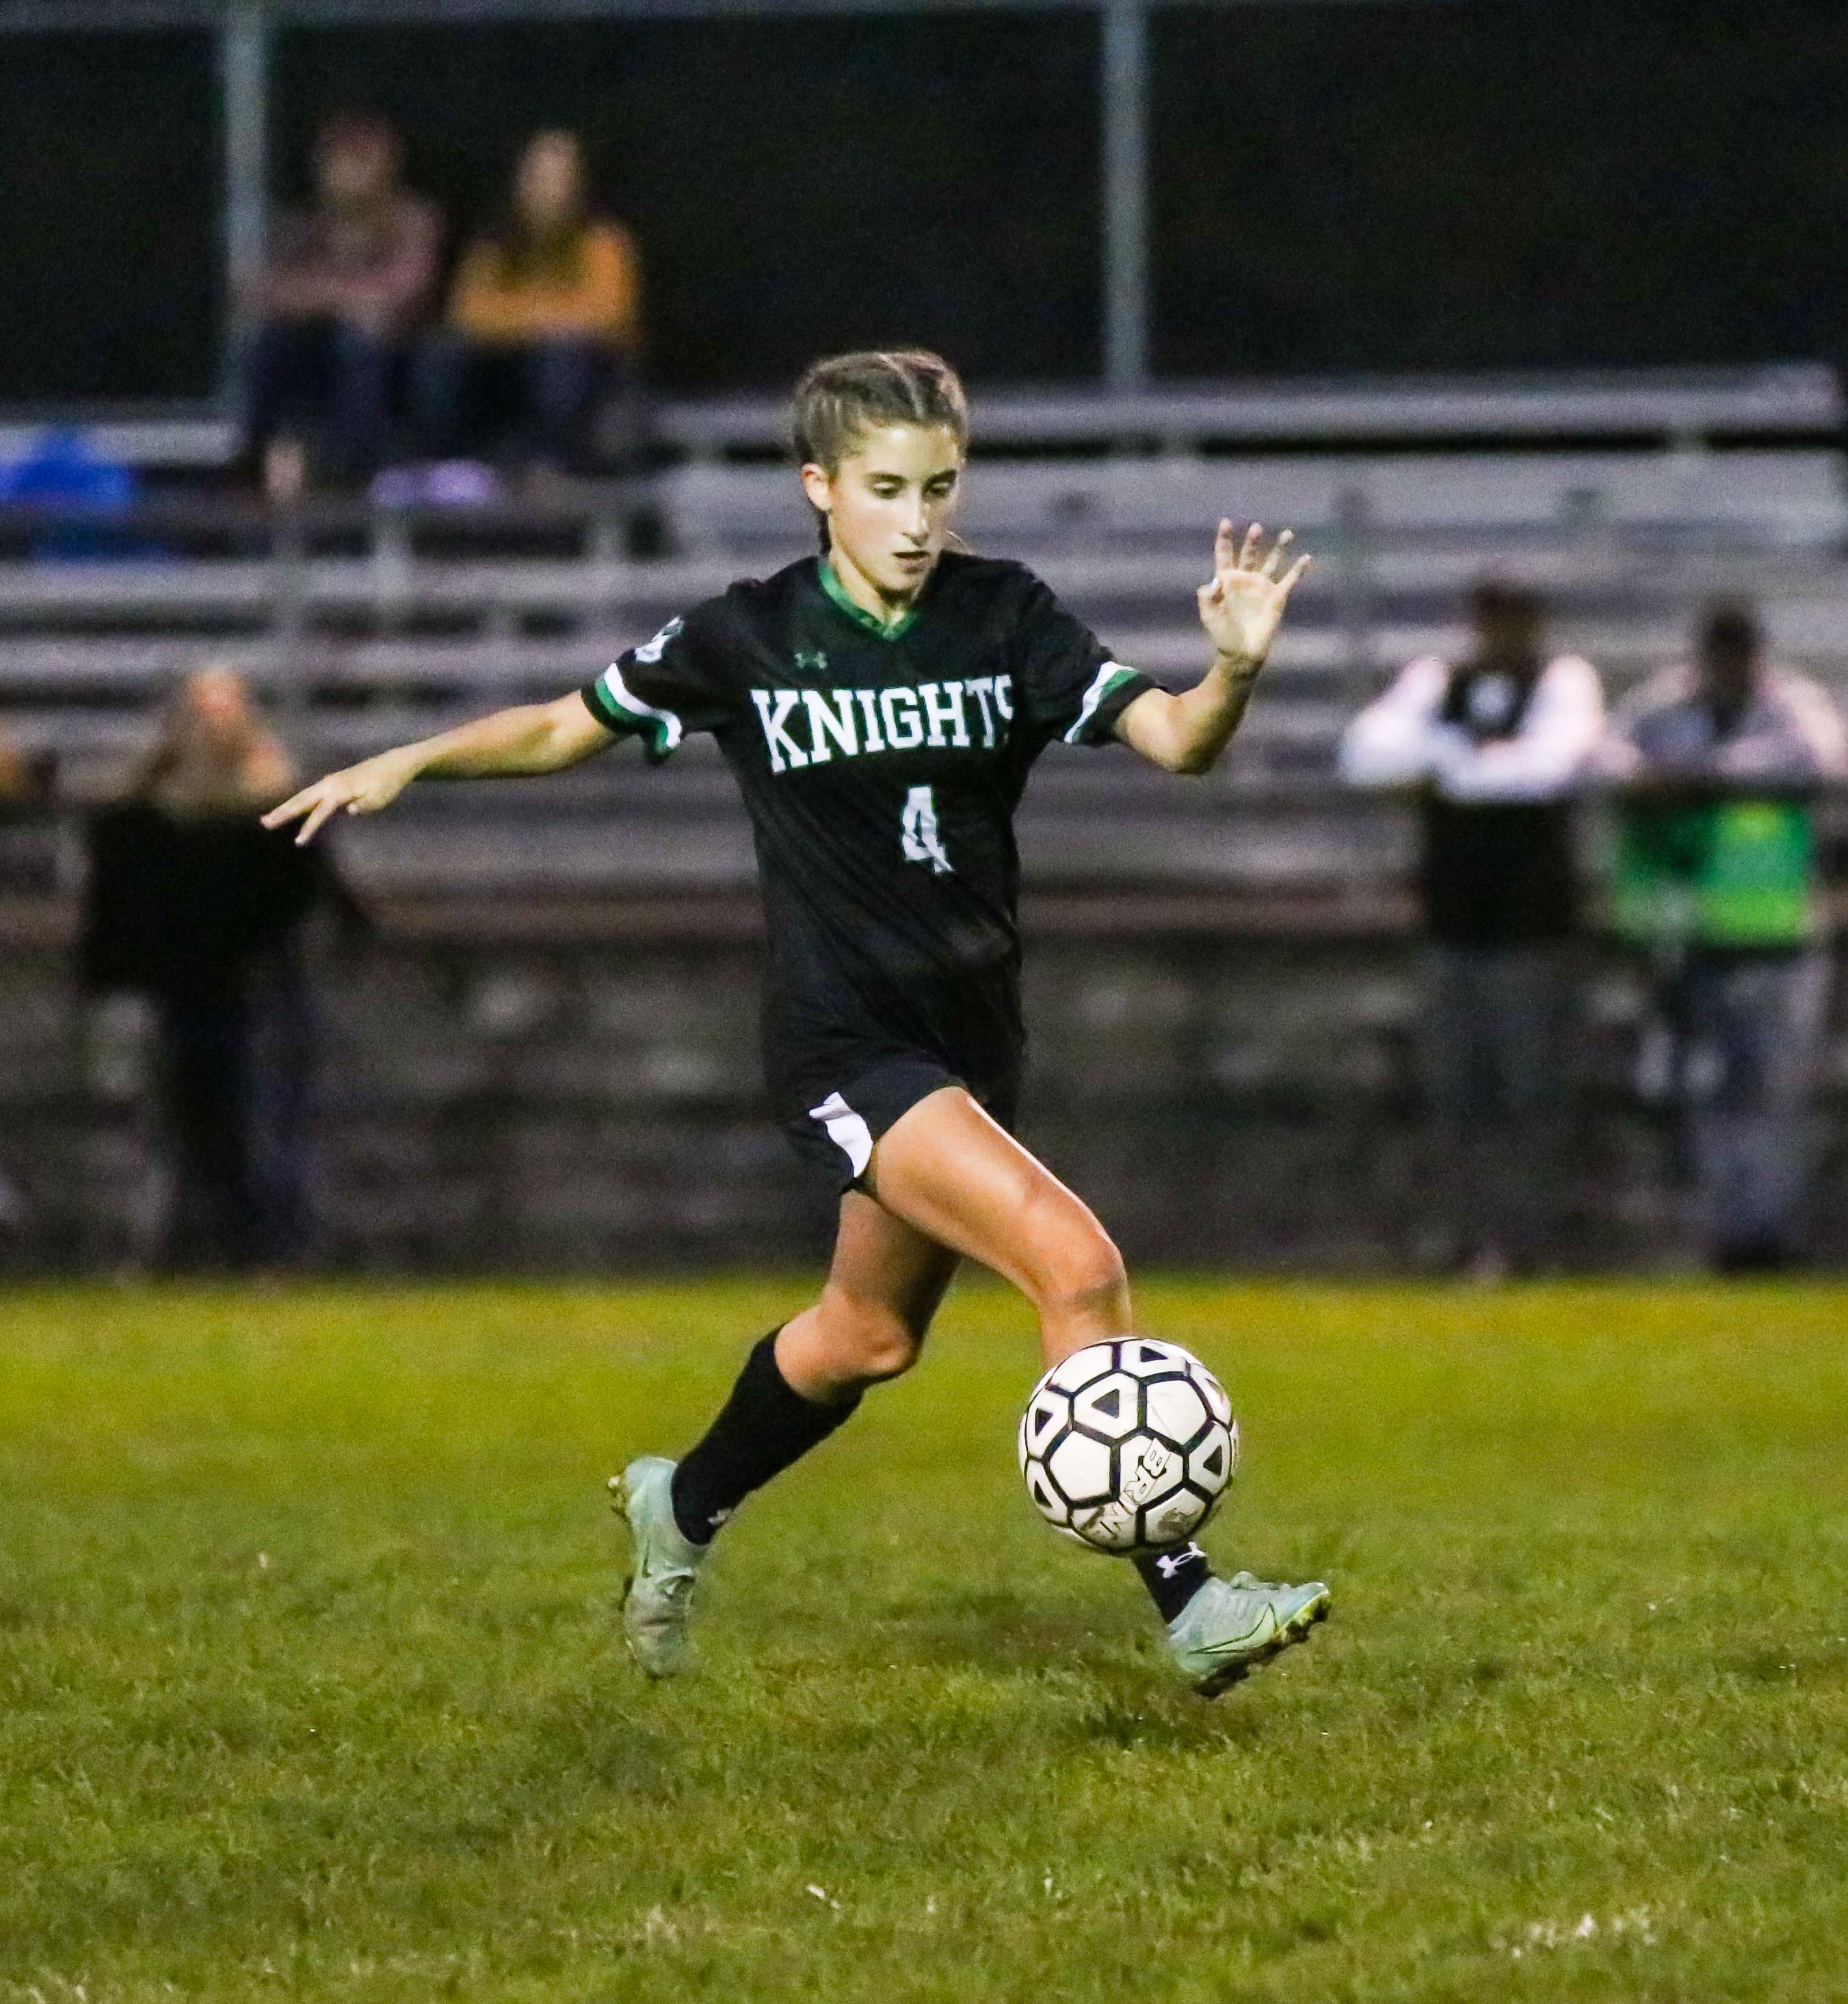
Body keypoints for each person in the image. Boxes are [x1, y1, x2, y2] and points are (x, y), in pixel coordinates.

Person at [265, 348, 1328, 1696]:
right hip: (843, 1044)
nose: (917, 519)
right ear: (818, 486)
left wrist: (1228, 672)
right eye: (885, 488)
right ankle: (1189, 1600)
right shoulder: (747, 638)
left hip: (969, 1041)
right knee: (1076, 1264)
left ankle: (685, 1501)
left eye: (939, 487)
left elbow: (1179, 740)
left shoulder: (1005, 616)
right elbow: (559, 726)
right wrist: (408, 758)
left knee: (865, 1338)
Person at [1338, 581, 1605, 1277]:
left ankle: (1529, 1242)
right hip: (1450, 928)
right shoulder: (1438, 680)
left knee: (1529, 1096)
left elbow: (1545, 770)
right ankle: (1469, 1241)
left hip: (1532, 934)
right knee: (1457, 1099)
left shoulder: (1561, 680)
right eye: (1490, 614)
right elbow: (1364, 755)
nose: (1500, 628)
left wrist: (1442, 765)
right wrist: (1469, 763)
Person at [1600, 600, 1846, 1272]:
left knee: (1775, 1092)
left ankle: (1769, 1235)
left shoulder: (1787, 704)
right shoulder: (1663, 704)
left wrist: (1703, 775)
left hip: (1778, 932)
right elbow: (1602, 757)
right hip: (1689, 931)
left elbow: (1818, 759)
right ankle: (1724, 1235)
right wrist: (1650, 777)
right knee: (1705, 1091)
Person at [81, 666, 354, 1271]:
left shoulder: (278, 808)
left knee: (263, 1127)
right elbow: (116, 916)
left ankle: (265, 1250)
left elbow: (316, 903)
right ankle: (167, 1250)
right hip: (178, 997)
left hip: (259, 996)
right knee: (170, 1127)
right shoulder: (140, 817)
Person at [414, 130, 641, 477]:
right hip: (504, 374)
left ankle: (551, 467)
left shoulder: (604, 245)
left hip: (579, 382)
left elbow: (608, 319)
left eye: (560, 179)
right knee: (442, 354)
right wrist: (541, 318)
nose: (548, 191)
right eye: (538, 177)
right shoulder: (494, 247)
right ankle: (449, 466)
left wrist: (522, 319)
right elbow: (468, 314)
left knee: (561, 357)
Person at [240, 112, 442, 493]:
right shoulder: (302, 227)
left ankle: (356, 473)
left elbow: (403, 292)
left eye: (362, 159)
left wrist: (320, 295)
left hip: (395, 357)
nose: (350, 172)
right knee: (270, 341)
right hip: (315, 353)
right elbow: (263, 292)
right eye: (340, 159)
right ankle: (256, 459)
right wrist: (343, 298)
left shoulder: (413, 220)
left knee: (357, 342)